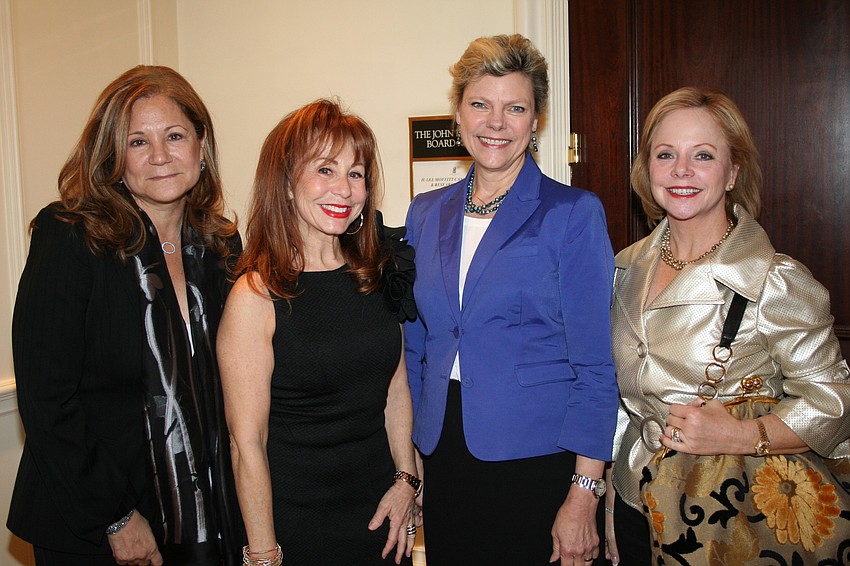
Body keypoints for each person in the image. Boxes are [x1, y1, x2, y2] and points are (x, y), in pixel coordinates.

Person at [8, 65, 245, 565]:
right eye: (138, 142)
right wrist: (114, 516)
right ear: (114, 157)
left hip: (207, 511)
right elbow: (47, 398)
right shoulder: (71, 237)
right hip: (97, 519)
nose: (160, 156)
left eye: (175, 135)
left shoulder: (220, 245)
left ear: (201, 146)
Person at [605, 86, 850, 564]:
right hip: (637, 505)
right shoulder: (622, 271)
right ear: (647, 169)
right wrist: (613, 502)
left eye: (702, 155)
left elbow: (835, 402)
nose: (681, 170)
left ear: (733, 171)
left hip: (731, 517)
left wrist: (740, 435)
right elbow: (621, 403)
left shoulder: (773, 280)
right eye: (665, 154)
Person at [404, 34, 618, 566]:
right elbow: (415, 347)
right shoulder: (424, 213)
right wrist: (407, 463)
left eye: (515, 107)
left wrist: (584, 492)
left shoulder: (573, 214)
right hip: (443, 450)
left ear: (536, 119)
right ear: (457, 113)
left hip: (538, 458)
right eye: (480, 104)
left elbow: (595, 365)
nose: (495, 122)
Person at [217, 99, 419, 566]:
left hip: (381, 514)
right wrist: (263, 552)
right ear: (287, 184)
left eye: (356, 173)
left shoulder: (376, 273)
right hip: (299, 525)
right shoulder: (257, 296)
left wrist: (406, 480)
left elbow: (395, 389)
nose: (344, 189)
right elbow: (246, 443)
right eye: (324, 170)